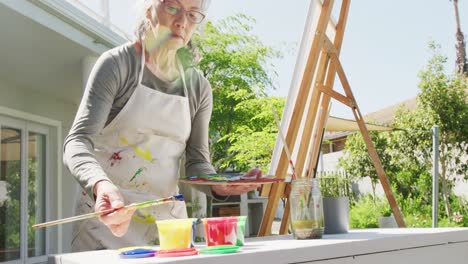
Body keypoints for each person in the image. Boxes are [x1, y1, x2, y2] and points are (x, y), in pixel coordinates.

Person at [64, 0, 262, 251]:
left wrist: (217, 183)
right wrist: (100, 186)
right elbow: (77, 141)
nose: (182, 21)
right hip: (106, 221)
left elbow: (197, 162)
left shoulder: (198, 87)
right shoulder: (117, 65)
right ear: (149, 9)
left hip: (168, 230)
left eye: (192, 14)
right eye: (172, 8)